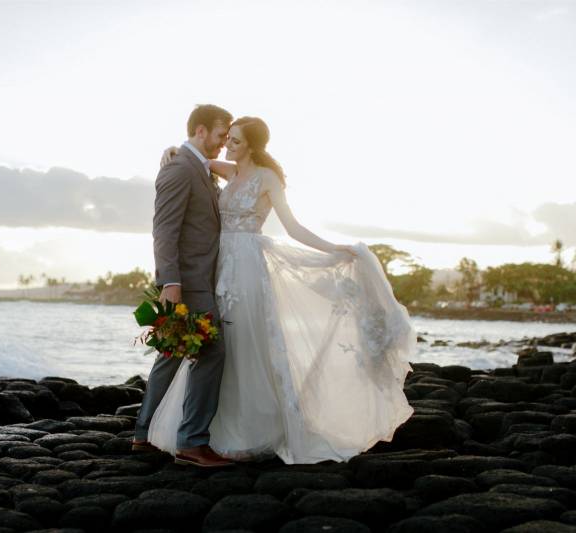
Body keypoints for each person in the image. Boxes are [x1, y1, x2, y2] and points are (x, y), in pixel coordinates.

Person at [146, 115, 416, 464]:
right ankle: (205, 433)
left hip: (247, 268)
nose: (229, 144)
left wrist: (332, 249)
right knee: (218, 348)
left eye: (237, 141)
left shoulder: (268, 178)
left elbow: (293, 227)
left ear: (254, 146)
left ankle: (248, 432)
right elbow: (191, 158)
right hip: (217, 267)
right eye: (228, 138)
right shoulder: (226, 169)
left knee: (246, 346)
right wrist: (170, 151)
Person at [132, 104, 234, 467]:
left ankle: (143, 433)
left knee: (172, 353)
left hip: (201, 277)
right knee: (212, 353)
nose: (224, 143)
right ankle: (192, 441)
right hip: (189, 282)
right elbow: (164, 231)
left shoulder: (198, 167)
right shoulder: (179, 168)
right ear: (201, 130)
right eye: (221, 135)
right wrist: (170, 282)